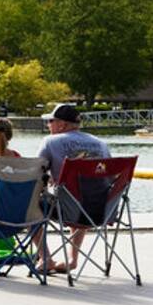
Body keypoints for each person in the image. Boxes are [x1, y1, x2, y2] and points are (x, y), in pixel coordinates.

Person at [38, 103, 110, 273]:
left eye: (50, 121)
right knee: (80, 195)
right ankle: (72, 259)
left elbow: (36, 173)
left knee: (28, 205)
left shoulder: (50, 141)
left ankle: (45, 258)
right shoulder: (100, 143)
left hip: (70, 210)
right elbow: (110, 177)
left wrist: (46, 179)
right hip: (102, 210)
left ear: (62, 125)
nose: (48, 125)